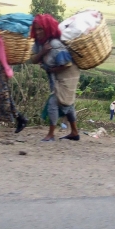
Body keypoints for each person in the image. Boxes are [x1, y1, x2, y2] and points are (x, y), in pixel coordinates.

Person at [31, 14, 81, 142]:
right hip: (57, 76)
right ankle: (74, 132)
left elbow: (67, 64)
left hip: (68, 75)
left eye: (41, 29)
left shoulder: (55, 45)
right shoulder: (40, 44)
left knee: (55, 101)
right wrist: (42, 53)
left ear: (47, 29)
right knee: (68, 103)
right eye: (36, 29)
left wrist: (50, 69)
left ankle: (51, 134)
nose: (38, 32)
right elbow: (33, 59)